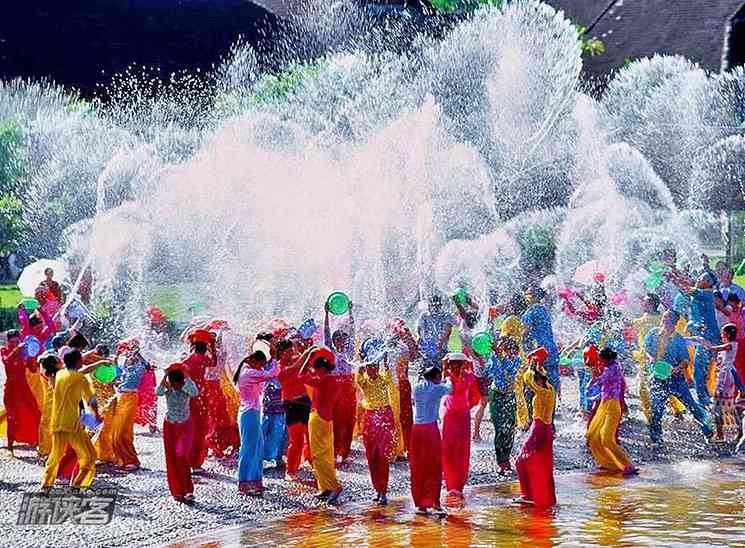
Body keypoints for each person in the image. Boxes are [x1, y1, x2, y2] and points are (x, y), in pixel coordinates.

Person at [644, 310, 714, 444]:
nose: (665, 319)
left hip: (676, 379)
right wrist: (651, 358)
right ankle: (656, 439)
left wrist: (677, 368)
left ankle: (707, 430)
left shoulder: (679, 339)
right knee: (657, 409)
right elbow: (647, 349)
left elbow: (685, 360)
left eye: (668, 317)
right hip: (657, 378)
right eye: (664, 317)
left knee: (691, 405)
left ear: (675, 322)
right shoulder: (653, 333)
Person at [41, 350, 99, 489]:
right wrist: (96, 415)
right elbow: (91, 400)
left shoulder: (59, 375)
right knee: (90, 456)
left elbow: (75, 370)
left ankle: (46, 484)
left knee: (55, 455)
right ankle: (78, 486)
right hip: (72, 424)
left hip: (57, 422)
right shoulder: (80, 378)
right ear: (79, 361)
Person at [667, 270, 720, 407]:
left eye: (701, 278)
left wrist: (674, 277)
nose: (698, 279)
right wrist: (674, 277)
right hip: (702, 336)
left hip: (708, 337)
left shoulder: (706, 294)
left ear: (708, 282)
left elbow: (687, 288)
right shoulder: (700, 292)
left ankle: (703, 402)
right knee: (706, 369)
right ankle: (704, 400)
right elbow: (687, 287)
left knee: (701, 371)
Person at [298, 346, 343, 505]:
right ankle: (325, 488)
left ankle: (334, 486)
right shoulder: (335, 380)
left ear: (321, 368)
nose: (314, 370)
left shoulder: (321, 380)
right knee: (327, 454)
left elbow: (301, 376)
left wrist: (308, 356)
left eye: (316, 368)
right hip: (328, 419)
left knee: (317, 456)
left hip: (317, 418)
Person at [355, 339, 396, 505]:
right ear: (366, 368)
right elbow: (358, 373)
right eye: (369, 366)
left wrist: (384, 355)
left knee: (382, 455)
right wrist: (361, 359)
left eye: (375, 366)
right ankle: (377, 489)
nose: (372, 369)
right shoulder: (363, 381)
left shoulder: (384, 378)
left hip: (385, 416)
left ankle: (383, 491)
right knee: (371, 456)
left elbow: (387, 369)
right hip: (370, 418)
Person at [514, 347, 556, 507]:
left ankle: (527, 494)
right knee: (544, 464)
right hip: (547, 430)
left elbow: (527, 378)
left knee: (520, 461)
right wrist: (537, 362)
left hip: (538, 429)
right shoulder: (550, 389)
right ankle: (542, 495)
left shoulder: (541, 392)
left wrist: (531, 362)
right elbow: (535, 375)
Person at [234, 345, 278, 496]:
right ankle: (243, 482)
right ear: (252, 360)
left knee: (258, 447)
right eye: (260, 364)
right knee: (248, 448)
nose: (261, 367)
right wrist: (274, 357)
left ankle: (256, 481)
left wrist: (270, 359)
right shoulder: (248, 373)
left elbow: (267, 372)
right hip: (249, 413)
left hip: (253, 412)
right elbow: (272, 373)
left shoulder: (251, 369)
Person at [586, 348, 636, 475]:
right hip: (605, 404)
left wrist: (592, 376)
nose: (600, 361)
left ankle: (628, 465)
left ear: (606, 359)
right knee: (594, 435)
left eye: (601, 359)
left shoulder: (613, 369)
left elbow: (598, 382)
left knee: (607, 439)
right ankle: (609, 463)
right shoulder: (613, 365)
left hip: (612, 406)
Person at [410, 364, 452, 515]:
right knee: (434, 466)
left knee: (418, 466)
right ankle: (435, 502)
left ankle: (421, 504)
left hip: (416, 430)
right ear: (435, 377)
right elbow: (449, 387)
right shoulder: (437, 388)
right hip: (430, 430)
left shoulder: (416, 387)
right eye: (438, 377)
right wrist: (447, 374)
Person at [156, 365, 199, 503]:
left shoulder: (187, 388)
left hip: (185, 426)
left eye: (179, 383)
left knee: (181, 456)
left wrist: (186, 376)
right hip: (170, 426)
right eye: (174, 383)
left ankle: (188, 490)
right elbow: (158, 392)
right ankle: (178, 491)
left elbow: (195, 393)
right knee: (172, 457)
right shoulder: (168, 389)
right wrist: (165, 376)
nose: (177, 386)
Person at [324, 301, 356, 464]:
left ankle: (345, 451)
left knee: (348, 419)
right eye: (338, 339)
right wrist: (326, 314)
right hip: (334, 388)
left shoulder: (349, 351)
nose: (341, 342)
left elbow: (353, 330)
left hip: (348, 387)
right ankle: (334, 449)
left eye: (343, 339)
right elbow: (326, 334)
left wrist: (350, 311)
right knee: (335, 419)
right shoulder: (331, 350)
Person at [1, 330, 41, 455]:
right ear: (8, 342)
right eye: (12, 342)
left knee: (37, 412)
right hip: (11, 389)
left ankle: (40, 441)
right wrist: (16, 350)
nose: (14, 344)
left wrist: (33, 356)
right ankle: (10, 446)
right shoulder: (4, 350)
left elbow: (33, 369)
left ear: (20, 340)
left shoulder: (24, 352)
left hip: (24, 387)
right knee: (11, 417)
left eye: (17, 341)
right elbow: (6, 362)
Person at [441, 352, 475, 499]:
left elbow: (475, 393)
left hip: (463, 417)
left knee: (462, 449)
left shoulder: (468, 377)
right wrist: (444, 367)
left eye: (458, 364)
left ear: (462, 365)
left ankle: (459, 484)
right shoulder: (447, 378)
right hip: (450, 418)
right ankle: (450, 483)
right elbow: (445, 387)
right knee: (449, 449)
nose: (455, 367)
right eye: (452, 364)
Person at [485, 337, 521, 475]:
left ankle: (506, 457)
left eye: (514, 351)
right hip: (497, 396)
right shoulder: (494, 358)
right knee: (500, 429)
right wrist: (497, 356)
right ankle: (502, 461)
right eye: (509, 351)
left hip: (510, 395)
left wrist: (501, 357)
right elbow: (493, 372)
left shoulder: (517, 360)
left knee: (511, 427)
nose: (512, 354)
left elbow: (509, 373)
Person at [277, 340, 312, 481]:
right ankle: (290, 471)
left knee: (306, 437)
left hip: (304, 401)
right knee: (296, 439)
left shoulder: (296, 358)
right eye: (287, 351)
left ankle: (303, 462)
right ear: (280, 353)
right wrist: (306, 354)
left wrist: (311, 352)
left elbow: (308, 363)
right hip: (291, 404)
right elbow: (294, 368)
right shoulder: (278, 367)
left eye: (291, 350)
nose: (290, 353)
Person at [110, 339, 147, 471]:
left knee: (122, 431)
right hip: (122, 397)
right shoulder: (126, 364)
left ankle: (130, 460)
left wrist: (137, 354)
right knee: (116, 430)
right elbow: (116, 375)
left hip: (131, 398)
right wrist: (116, 356)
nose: (128, 354)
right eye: (128, 351)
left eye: (131, 351)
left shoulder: (140, 366)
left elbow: (146, 366)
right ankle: (122, 459)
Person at [182, 329, 216, 471]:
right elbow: (214, 362)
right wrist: (212, 348)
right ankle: (195, 463)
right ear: (204, 349)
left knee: (190, 427)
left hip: (189, 395)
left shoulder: (188, 360)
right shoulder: (203, 359)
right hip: (201, 395)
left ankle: (186, 460)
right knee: (200, 428)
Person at [704, 324, 741, 442]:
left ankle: (722, 433)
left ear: (728, 334)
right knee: (725, 406)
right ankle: (731, 432)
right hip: (722, 377)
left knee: (720, 405)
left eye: (722, 333)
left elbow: (715, 348)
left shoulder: (731, 345)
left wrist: (705, 344)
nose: (721, 335)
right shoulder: (727, 347)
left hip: (725, 379)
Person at [521, 286, 561, 394]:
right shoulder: (544, 310)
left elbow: (525, 331)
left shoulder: (530, 312)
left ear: (535, 297)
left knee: (536, 382)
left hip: (538, 351)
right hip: (551, 349)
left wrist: (514, 338)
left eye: (528, 294)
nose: (526, 296)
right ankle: (553, 406)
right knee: (551, 381)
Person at [262, 345, 288, 469]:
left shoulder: (285, 364)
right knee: (265, 429)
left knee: (280, 430)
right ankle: (260, 458)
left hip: (280, 400)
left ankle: (278, 457)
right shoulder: (267, 364)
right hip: (269, 400)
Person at [417, 293, 456, 369]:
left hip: (441, 349)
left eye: (437, 306)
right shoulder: (424, 315)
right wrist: (420, 338)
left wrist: (440, 344)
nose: (435, 308)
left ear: (440, 306)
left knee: (440, 370)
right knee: (425, 371)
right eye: (433, 305)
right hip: (427, 349)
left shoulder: (446, 315)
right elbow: (419, 329)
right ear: (428, 306)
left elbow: (447, 331)